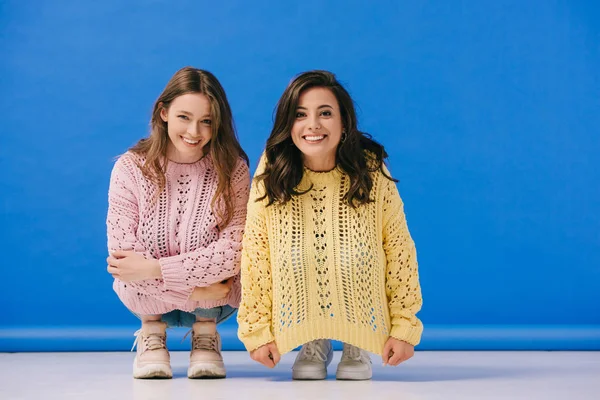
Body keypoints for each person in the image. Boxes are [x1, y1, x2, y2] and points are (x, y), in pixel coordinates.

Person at [237, 70, 423, 380]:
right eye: (300, 115)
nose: (313, 125)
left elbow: (399, 249)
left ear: (344, 123)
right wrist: (257, 332)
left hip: (365, 305)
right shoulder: (272, 170)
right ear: (288, 124)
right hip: (295, 303)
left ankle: (356, 341)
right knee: (293, 251)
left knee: (357, 252)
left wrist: (404, 327)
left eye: (325, 113)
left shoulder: (371, 171)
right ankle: (314, 341)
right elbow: (257, 254)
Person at [106, 66, 250, 379]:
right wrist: (197, 291)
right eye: (184, 117)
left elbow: (233, 250)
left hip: (215, 302)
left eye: (207, 121)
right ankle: (151, 332)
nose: (194, 131)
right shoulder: (130, 168)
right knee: (135, 262)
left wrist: (156, 269)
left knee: (203, 250)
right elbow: (123, 258)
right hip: (167, 295)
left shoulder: (232, 170)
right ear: (163, 113)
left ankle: (205, 335)